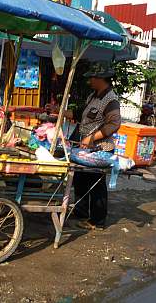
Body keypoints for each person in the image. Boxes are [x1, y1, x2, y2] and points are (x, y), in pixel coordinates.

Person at [48, 62, 121, 229]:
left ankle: (97, 220)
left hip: (100, 148)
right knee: (80, 179)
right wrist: (58, 110)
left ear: (100, 78)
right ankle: (81, 211)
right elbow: (80, 114)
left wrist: (92, 138)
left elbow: (114, 124)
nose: (89, 81)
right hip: (83, 147)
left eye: (92, 78)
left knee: (96, 183)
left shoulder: (111, 100)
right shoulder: (93, 96)